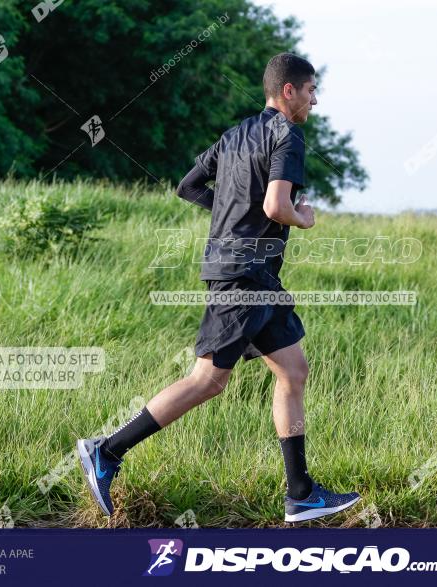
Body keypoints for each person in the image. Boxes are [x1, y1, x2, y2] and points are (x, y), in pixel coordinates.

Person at [77, 53, 360, 523]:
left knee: (293, 371)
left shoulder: (233, 136)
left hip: (258, 279)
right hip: (242, 277)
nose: (315, 98)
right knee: (208, 380)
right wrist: (303, 218)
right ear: (287, 90)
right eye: (311, 89)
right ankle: (106, 451)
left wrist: (230, 211)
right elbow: (276, 206)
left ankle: (300, 493)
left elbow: (188, 186)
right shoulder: (287, 135)